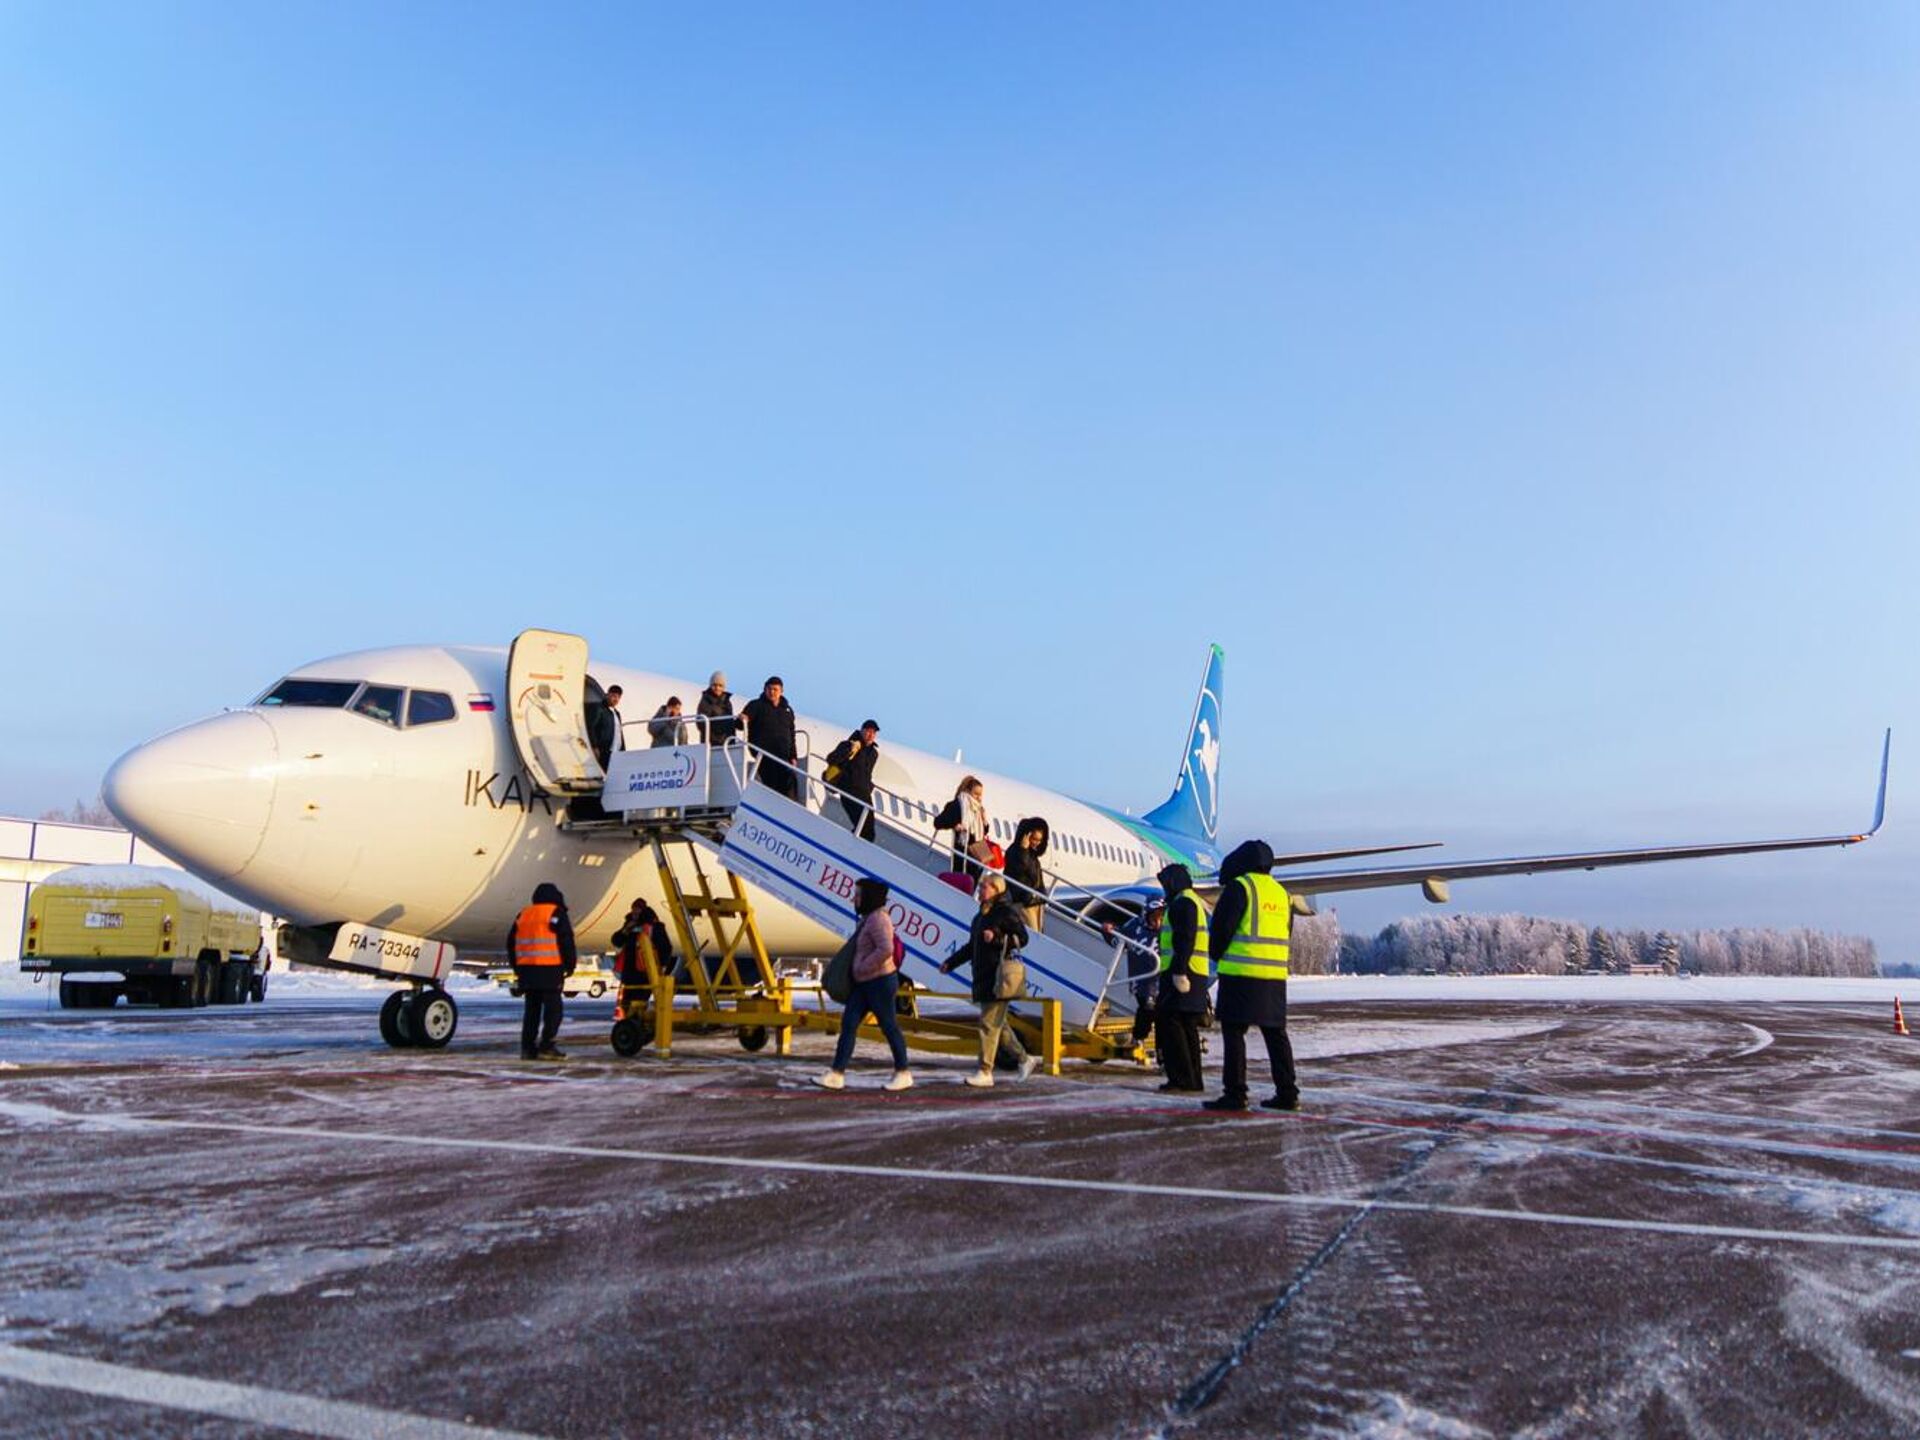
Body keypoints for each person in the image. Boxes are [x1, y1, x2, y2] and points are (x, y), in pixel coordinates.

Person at [1204, 839, 1298, 1113]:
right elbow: (1286, 932)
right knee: (1276, 1036)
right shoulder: (1282, 894)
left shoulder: (1240, 888)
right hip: (1273, 976)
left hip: (1241, 975)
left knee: (1234, 1035)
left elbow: (1222, 929)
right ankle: (1288, 1092)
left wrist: (1216, 955)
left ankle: (1235, 1093)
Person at [939, 874, 1040, 1087]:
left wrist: (996, 937)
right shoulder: (980, 916)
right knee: (998, 1026)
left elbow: (1022, 938)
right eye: (982, 886)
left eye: (985, 886)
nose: (980, 889)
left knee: (987, 1024)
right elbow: (971, 946)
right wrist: (951, 963)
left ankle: (985, 1071)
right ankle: (1024, 1059)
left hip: (998, 977)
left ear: (996, 889)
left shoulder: (1005, 912)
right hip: (983, 975)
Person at [815, 878, 913, 1091]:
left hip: (879, 982)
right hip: (865, 983)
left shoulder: (879, 919)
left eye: (858, 895)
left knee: (888, 1026)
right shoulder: (868, 918)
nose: (854, 899)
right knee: (849, 1024)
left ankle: (903, 1071)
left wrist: (862, 968)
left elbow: (885, 948)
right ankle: (836, 1073)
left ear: (869, 897)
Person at [1153, 863, 1210, 1095]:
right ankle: (1193, 1079)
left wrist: (1178, 971)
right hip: (1193, 972)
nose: (1164, 888)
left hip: (1182, 973)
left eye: (1166, 883)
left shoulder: (1182, 903)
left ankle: (1181, 1078)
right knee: (1187, 1027)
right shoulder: (1191, 900)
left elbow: (1184, 940)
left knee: (1171, 1024)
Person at [508, 882, 577, 1060]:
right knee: (553, 1011)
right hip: (550, 971)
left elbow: (511, 943)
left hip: (528, 972)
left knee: (531, 1011)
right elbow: (566, 941)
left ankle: (527, 1048)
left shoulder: (523, 914)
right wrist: (570, 965)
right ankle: (547, 1045)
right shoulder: (556, 913)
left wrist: (518, 967)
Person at [1103, 894, 1165, 1045]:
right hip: (1141, 981)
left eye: (1161, 918)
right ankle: (1139, 1036)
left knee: (1163, 1017)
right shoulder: (1134, 927)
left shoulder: (1167, 930)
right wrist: (1107, 931)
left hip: (1161, 979)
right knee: (1147, 1008)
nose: (1158, 923)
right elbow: (1118, 940)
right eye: (1155, 918)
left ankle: (1162, 1053)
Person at [740, 676, 798, 800]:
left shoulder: (787, 710)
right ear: (765, 690)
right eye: (769, 689)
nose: (772, 692)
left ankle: (788, 808)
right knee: (771, 784)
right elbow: (741, 724)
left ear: (781, 691)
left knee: (789, 783)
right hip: (763, 753)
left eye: (775, 689)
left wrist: (793, 756)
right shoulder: (756, 705)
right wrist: (742, 719)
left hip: (783, 755)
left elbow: (791, 734)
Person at [825, 720, 882, 839]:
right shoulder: (848, 744)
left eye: (873, 732)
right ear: (862, 731)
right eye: (868, 731)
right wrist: (849, 751)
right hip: (849, 790)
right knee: (860, 826)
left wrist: (869, 786)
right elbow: (831, 759)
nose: (871, 735)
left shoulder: (873, 753)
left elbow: (867, 773)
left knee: (869, 831)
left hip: (864, 794)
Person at [1004, 817, 1051, 933]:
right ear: (1026, 836)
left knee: (1037, 933)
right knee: (1032, 934)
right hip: (1023, 904)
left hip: (1034, 903)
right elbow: (1019, 871)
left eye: (1040, 840)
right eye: (1034, 839)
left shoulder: (1033, 857)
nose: (1036, 843)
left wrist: (1042, 896)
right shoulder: (1015, 852)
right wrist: (1023, 851)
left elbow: (1037, 880)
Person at [696, 671, 736, 744]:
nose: (717, 688)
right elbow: (701, 723)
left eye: (720, 685)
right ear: (710, 686)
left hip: (727, 742)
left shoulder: (727, 702)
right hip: (712, 743)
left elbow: (730, 723)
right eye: (714, 685)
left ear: (723, 687)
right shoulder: (705, 701)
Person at [588, 686, 623, 769]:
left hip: (616, 752)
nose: (616, 699)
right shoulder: (599, 709)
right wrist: (594, 746)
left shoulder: (616, 713)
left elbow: (619, 733)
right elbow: (591, 727)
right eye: (613, 696)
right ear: (607, 695)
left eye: (618, 697)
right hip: (603, 751)